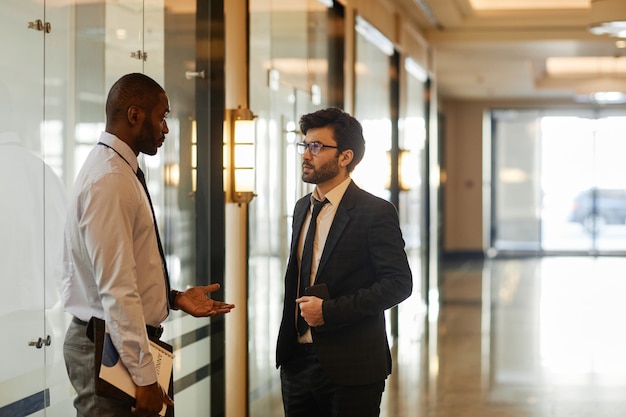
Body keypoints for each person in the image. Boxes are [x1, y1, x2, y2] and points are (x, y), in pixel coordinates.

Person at [61, 73, 234, 417]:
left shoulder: (121, 171)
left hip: (120, 342)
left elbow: (124, 271)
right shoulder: (110, 179)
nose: (166, 128)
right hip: (108, 350)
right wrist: (143, 377)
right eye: (163, 116)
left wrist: (173, 298)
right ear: (135, 115)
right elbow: (116, 287)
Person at [276, 107, 413, 417]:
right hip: (296, 363)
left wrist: (329, 312)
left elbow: (398, 284)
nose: (306, 155)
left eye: (316, 147)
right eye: (304, 145)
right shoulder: (302, 208)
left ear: (345, 157)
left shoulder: (375, 212)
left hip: (352, 367)